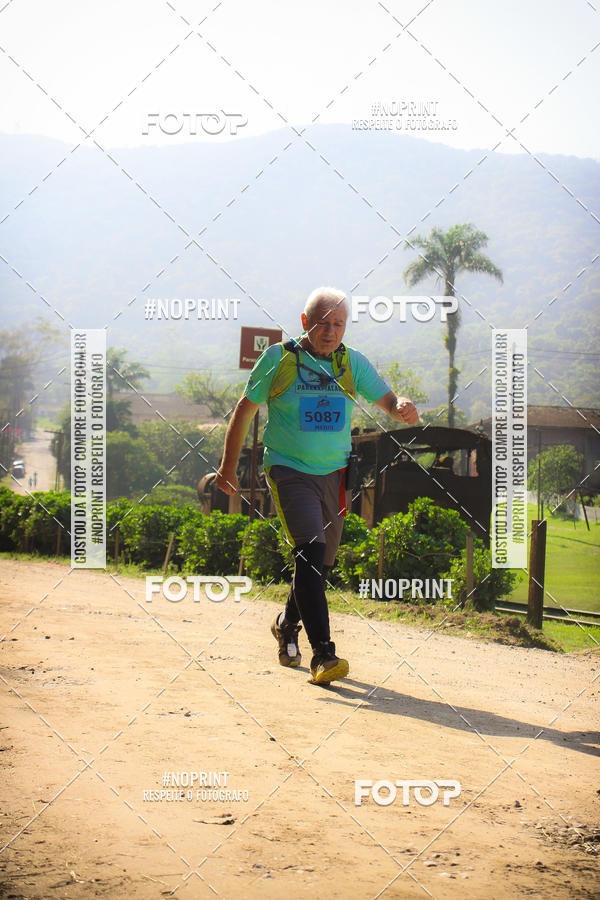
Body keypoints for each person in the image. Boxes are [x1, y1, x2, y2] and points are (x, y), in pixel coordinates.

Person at [216, 287, 418, 684]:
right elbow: (245, 408)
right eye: (322, 323)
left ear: (345, 327)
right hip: (289, 471)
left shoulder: (351, 363)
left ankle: (286, 623)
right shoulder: (279, 359)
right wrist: (227, 467)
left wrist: (401, 406)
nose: (330, 331)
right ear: (306, 322)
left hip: (334, 475)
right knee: (310, 552)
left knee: (320, 567)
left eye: (338, 324)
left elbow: (389, 400)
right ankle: (323, 655)